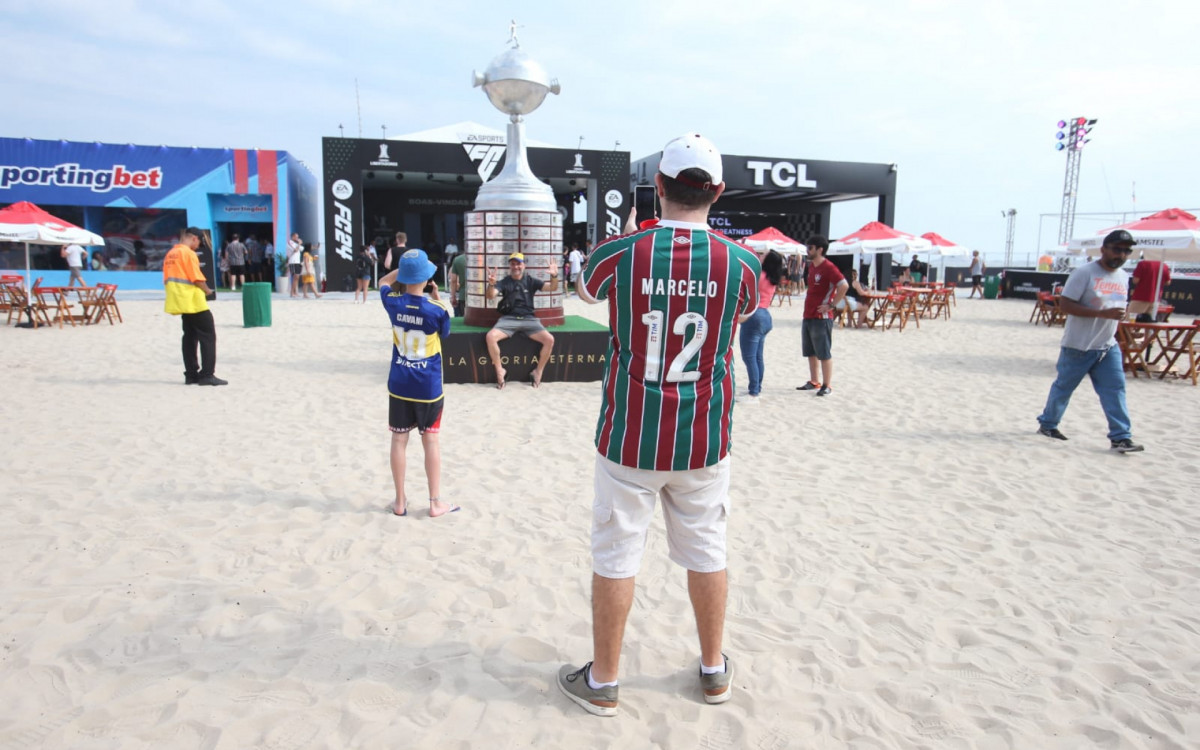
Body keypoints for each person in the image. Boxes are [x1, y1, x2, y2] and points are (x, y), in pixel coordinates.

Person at [557, 132, 760, 717]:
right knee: (707, 550)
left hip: (629, 434)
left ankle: (605, 681)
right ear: (717, 192)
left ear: (659, 187)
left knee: (617, 554)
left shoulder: (623, 253)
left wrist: (638, 237)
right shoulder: (741, 263)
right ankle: (715, 670)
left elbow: (584, 287)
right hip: (704, 437)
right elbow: (741, 309)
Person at [1036, 230, 1143, 453]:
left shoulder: (1123, 276)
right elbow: (1065, 305)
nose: (1122, 255)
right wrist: (1102, 314)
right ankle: (1048, 424)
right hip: (1078, 345)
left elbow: (1116, 306)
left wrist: (1119, 316)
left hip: (1107, 345)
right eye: (1117, 249)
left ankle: (1121, 437)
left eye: (1126, 251)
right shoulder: (1084, 273)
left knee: (1115, 389)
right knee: (1064, 388)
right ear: (1104, 249)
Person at [379, 249, 459, 518]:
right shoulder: (436, 310)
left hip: (400, 382)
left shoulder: (393, 302)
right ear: (426, 278)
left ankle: (400, 501)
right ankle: (435, 502)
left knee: (399, 439)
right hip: (428, 385)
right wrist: (437, 299)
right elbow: (445, 333)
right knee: (431, 441)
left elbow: (383, 282)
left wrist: (401, 273)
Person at [484, 252, 559, 388]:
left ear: (524, 265)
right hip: (508, 319)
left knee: (549, 339)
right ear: (509, 266)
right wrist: (490, 284)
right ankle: (500, 371)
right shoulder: (504, 282)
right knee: (490, 337)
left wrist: (554, 275)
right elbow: (490, 296)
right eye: (513, 264)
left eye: (518, 263)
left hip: (529, 319)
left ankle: (538, 371)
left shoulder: (530, 281)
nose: (516, 267)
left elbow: (552, 287)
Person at [163, 227, 225, 386]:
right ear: (194, 238)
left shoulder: (171, 254)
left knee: (189, 337)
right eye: (199, 243)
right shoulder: (188, 253)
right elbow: (196, 278)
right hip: (194, 301)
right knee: (208, 336)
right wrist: (207, 290)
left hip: (180, 301)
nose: (198, 247)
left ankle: (190, 375)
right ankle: (207, 375)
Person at [796, 236, 848, 396]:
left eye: (810, 247)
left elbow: (844, 285)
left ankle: (827, 385)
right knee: (810, 352)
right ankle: (814, 381)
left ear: (820, 249)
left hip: (822, 317)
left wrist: (831, 305)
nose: (807, 250)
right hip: (809, 314)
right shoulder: (812, 267)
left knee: (824, 352)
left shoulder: (829, 267)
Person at [739, 249, 783, 402]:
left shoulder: (758, 275)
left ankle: (753, 392)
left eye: (763, 255)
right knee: (758, 357)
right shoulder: (772, 277)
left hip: (754, 315)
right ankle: (757, 388)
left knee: (749, 356)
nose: (760, 255)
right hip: (765, 315)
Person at [1126, 256, 1171, 321]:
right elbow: (1168, 282)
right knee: (1149, 321)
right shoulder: (1164, 265)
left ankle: (1128, 331)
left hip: (1141, 296)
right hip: (1156, 298)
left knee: (1130, 320)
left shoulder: (1143, 264)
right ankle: (1148, 332)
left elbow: (1135, 280)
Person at [448, 244, 468, 317]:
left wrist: (453, 297)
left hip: (463, 295)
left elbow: (453, 280)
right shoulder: (484, 258)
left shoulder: (458, 260)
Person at [287, 233, 304, 297]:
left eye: (298, 237)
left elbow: (302, 249)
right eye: (296, 237)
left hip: (297, 262)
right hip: (293, 262)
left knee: (297, 278)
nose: (297, 238)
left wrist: (299, 244)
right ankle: (292, 293)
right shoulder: (290, 242)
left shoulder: (296, 244)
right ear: (293, 237)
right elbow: (295, 250)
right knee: (295, 277)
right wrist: (299, 243)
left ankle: (295, 292)